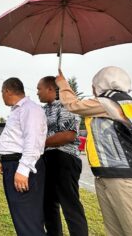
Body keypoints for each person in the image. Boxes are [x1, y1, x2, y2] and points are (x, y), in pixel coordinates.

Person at [56, 66, 132, 236]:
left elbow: (74, 105)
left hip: (129, 179)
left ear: (103, 83)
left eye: (94, 84)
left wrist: (62, 84)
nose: (92, 89)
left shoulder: (110, 101)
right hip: (113, 176)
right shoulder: (128, 106)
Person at [37, 76, 88, 236]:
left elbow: (68, 135)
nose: (37, 92)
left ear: (51, 89)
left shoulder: (66, 106)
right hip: (47, 160)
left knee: (70, 205)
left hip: (64, 158)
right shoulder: (44, 110)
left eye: (39, 89)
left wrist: (40, 143)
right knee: (48, 204)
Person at [0, 78, 47, 236]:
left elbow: (34, 141)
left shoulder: (30, 109)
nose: (2, 96)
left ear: (7, 91)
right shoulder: (17, 110)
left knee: (27, 218)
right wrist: (5, 160)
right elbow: (17, 139)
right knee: (21, 214)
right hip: (13, 164)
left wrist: (23, 169)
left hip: (24, 166)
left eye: (2, 92)